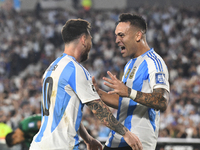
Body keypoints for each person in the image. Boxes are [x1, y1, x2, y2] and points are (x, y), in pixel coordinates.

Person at [29, 19, 142, 150]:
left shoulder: (51, 68)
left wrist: (88, 139)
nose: (90, 43)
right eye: (90, 39)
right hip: (61, 146)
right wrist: (127, 134)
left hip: (38, 145)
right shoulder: (75, 69)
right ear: (83, 39)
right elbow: (99, 110)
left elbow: (67, 114)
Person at [92, 13, 170, 150]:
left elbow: (162, 101)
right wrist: (98, 93)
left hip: (137, 142)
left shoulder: (154, 63)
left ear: (138, 36)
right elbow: (125, 103)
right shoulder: (129, 65)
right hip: (117, 138)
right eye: (116, 35)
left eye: (121, 35)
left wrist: (128, 92)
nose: (116, 40)